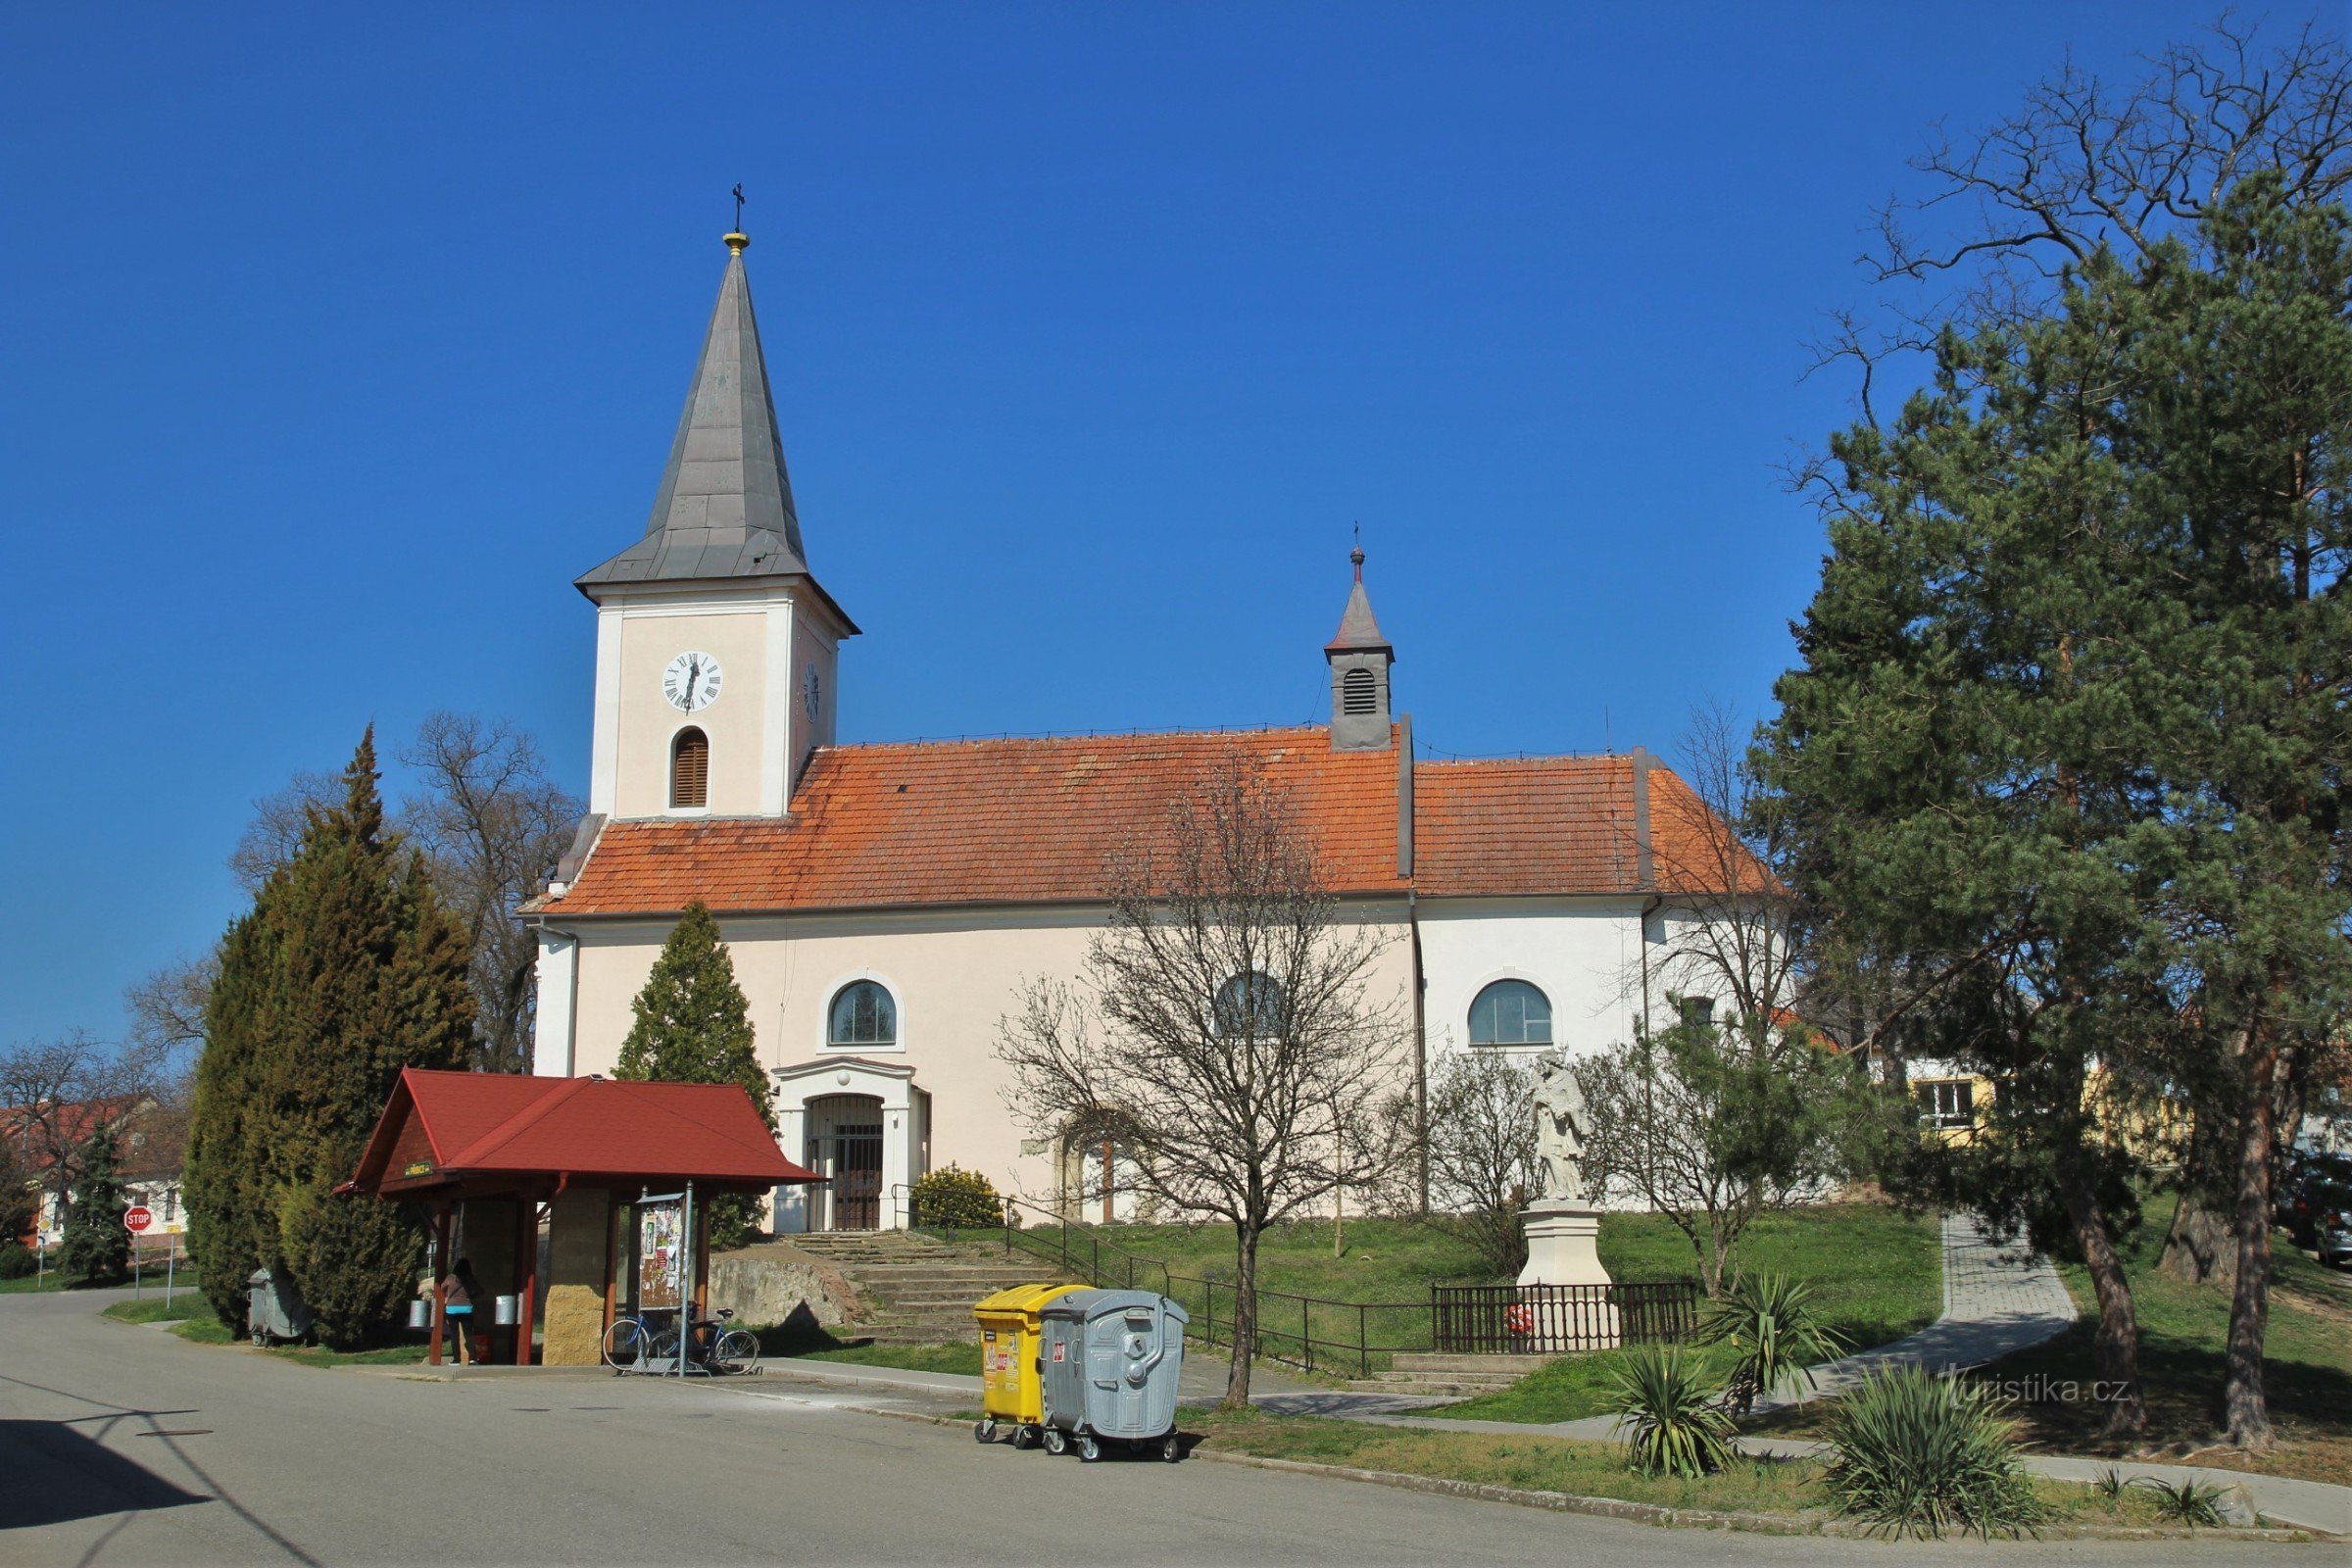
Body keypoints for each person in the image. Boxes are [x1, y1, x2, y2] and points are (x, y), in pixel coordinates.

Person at [438, 1258, 481, 1365]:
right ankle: (472, 1359)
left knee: (454, 1335)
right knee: (469, 1334)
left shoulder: (450, 1278)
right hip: (466, 1308)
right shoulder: (470, 1279)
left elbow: (442, 1288)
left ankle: (456, 1359)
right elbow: (479, 1291)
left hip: (452, 1309)